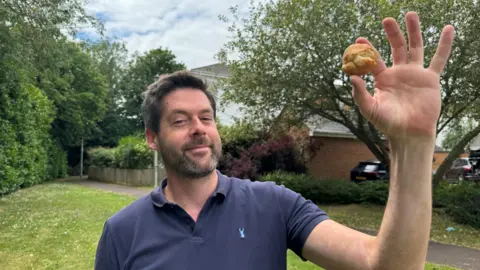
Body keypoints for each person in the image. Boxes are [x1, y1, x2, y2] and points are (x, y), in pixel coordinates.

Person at [95, 11, 454, 270]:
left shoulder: (274, 206)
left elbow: (386, 266)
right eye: (179, 120)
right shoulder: (122, 231)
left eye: (206, 117)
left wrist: (413, 144)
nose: (199, 128)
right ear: (152, 138)